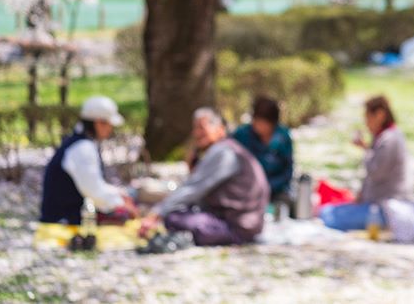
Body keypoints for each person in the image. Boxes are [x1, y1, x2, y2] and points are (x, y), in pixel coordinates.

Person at [139, 108, 270, 246]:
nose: (196, 133)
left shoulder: (224, 153)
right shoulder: (228, 149)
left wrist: (156, 214)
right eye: (195, 128)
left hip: (237, 228)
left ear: (220, 129)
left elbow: (193, 189)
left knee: (173, 217)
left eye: (202, 128)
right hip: (243, 225)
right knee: (179, 212)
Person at [40, 96, 138, 224]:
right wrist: (121, 204)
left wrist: (119, 194)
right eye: (109, 124)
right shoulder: (82, 148)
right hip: (64, 219)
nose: (110, 129)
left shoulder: (81, 143)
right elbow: (94, 191)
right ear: (99, 123)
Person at [320, 96, 412, 231]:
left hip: (386, 210)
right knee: (327, 210)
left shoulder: (390, 139)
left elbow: (375, 171)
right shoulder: (383, 137)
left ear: (380, 115)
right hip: (375, 206)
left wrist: (365, 151)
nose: (367, 123)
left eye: (368, 118)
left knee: (328, 215)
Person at [232, 96, 294, 199]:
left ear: (273, 123)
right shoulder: (242, 135)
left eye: (265, 123)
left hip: (276, 191)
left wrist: (269, 186)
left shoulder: (283, 137)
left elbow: (288, 170)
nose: (260, 126)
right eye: (257, 121)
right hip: (247, 191)